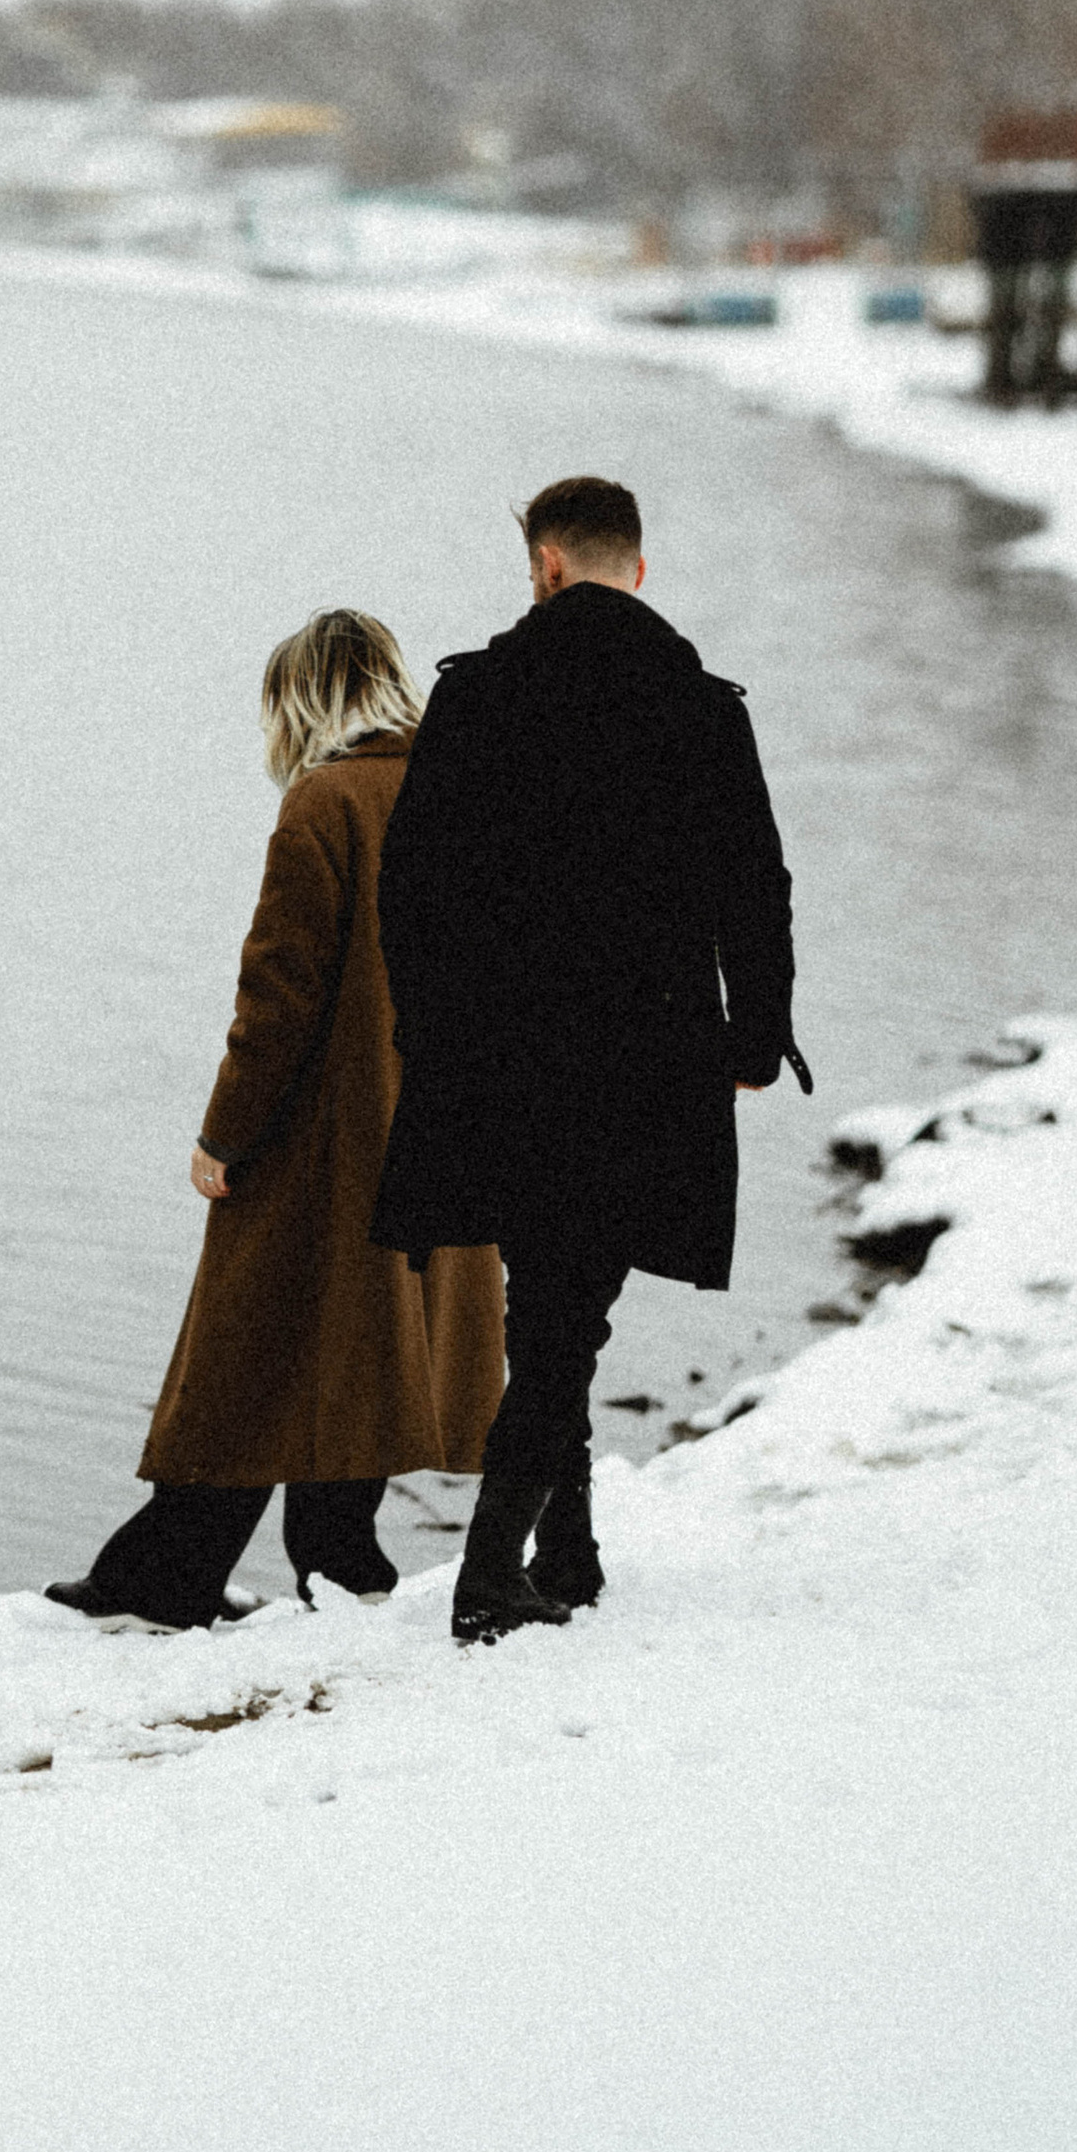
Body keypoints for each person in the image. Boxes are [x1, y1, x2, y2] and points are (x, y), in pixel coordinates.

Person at [369, 476, 803, 1646]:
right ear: (636, 570)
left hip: (498, 1051)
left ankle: (563, 1544)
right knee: (571, 1311)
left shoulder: (477, 696)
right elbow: (753, 885)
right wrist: (755, 1037)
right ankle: (491, 1572)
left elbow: (411, 887)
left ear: (547, 563)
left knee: (545, 1304)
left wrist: (428, 1030)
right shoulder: (703, 708)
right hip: (646, 1050)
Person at [47, 610, 506, 1632]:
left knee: (254, 1355)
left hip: (328, 1143)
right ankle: (272, 1568)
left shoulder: (325, 803)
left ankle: (188, 1576)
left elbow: (279, 998)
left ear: (298, 702)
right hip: (443, 1135)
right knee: (358, 1361)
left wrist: (222, 1137)